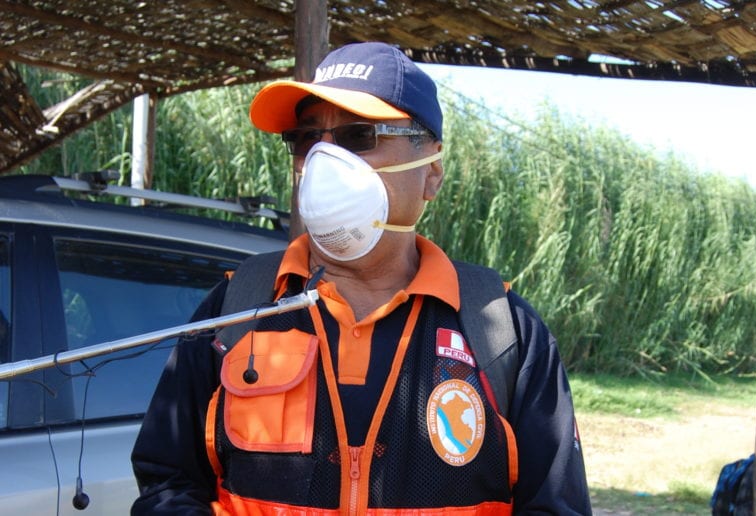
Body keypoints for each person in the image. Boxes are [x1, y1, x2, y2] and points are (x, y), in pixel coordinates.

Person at [131, 41, 592, 515]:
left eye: (359, 136)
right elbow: (167, 482)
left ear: (431, 172)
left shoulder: (501, 331)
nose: (325, 160)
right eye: (307, 139)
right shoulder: (239, 307)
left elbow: (556, 506)